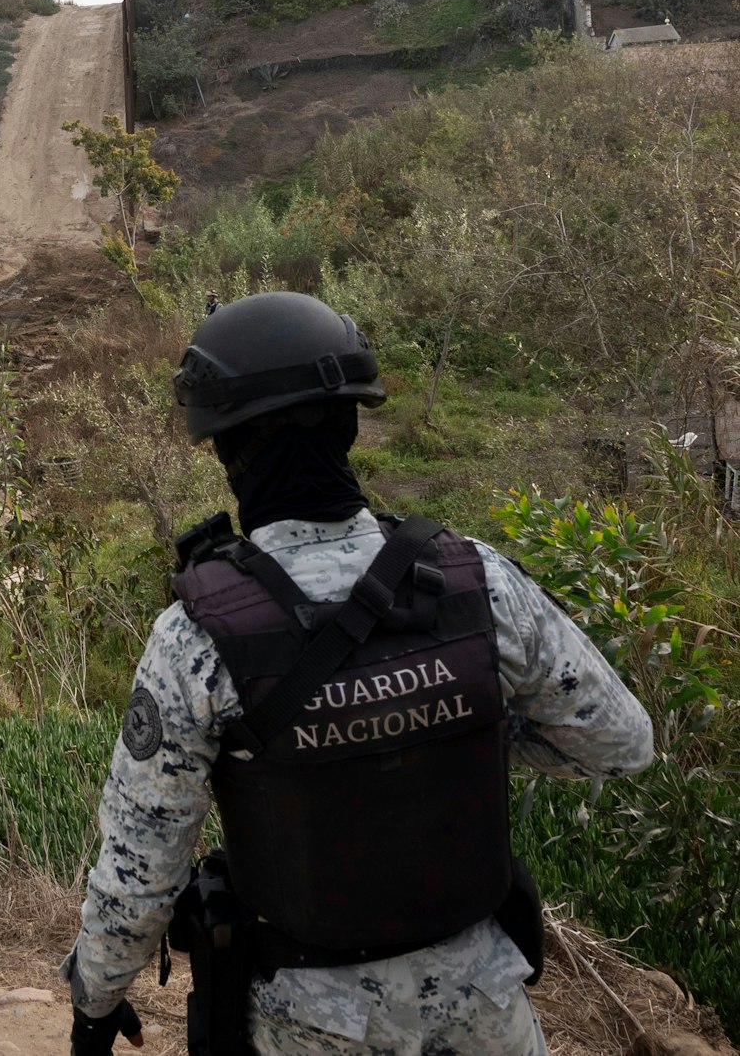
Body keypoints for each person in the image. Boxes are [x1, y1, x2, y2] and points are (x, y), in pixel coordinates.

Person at [63, 291, 655, 1056]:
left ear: (225, 448)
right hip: (488, 1015)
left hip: (309, 1028)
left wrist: (96, 1000)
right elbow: (621, 742)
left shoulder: (197, 639)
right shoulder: (478, 581)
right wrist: (457, 722)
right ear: (348, 423)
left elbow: (140, 866)